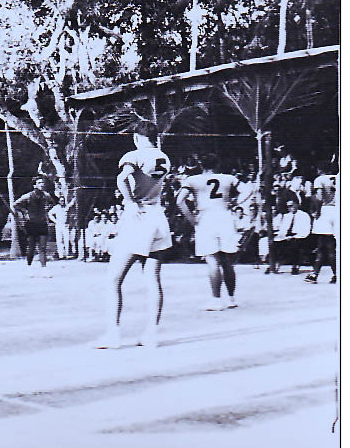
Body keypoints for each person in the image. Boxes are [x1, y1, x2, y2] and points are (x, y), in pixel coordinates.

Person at [96, 123, 172, 349]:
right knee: (153, 279)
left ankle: (113, 334)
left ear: (137, 137)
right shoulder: (164, 157)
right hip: (158, 216)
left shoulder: (134, 155)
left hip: (139, 216)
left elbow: (121, 179)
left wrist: (130, 202)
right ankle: (151, 334)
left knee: (113, 279)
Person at [175, 153, 251, 311]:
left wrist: (191, 219)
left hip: (206, 217)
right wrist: (234, 203)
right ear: (217, 165)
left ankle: (216, 300)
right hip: (224, 215)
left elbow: (179, 200)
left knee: (212, 260)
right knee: (227, 261)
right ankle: (231, 298)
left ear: (201, 165)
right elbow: (248, 190)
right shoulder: (228, 178)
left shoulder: (193, 180)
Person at [12, 176, 55, 272]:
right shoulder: (28, 196)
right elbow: (15, 205)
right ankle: (29, 267)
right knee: (31, 247)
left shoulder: (46, 195)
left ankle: (44, 269)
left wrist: (46, 210)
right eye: (39, 182)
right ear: (35, 185)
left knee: (43, 247)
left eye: (43, 182)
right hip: (31, 223)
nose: (42, 184)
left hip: (42, 222)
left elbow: (52, 203)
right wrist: (25, 212)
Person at [306, 166, 337, 284]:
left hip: (327, 210)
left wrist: (317, 211)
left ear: (320, 169)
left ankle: (315, 274)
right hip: (339, 211)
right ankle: (334, 274)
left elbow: (319, 196)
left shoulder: (320, 179)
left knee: (323, 245)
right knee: (333, 245)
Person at [271, 194, 312, 275]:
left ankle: (295, 266)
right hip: (288, 237)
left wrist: (293, 236)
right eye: (288, 206)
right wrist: (282, 236)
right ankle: (275, 265)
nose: (290, 208)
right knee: (274, 243)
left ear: (297, 205)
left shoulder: (304, 215)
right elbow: (283, 229)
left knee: (294, 245)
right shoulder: (286, 216)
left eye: (291, 205)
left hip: (300, 237)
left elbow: (306, 230)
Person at [47, 193, 72, 260]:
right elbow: (50, 213)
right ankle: (61, 255)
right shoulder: (56, 207)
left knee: (66, 240)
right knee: (59, 240)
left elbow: (71, 204)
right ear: (59, 201)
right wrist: (55, 221)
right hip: (58, 225)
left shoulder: (66, 207)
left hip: (65, 225)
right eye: (61, 201)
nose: (62, 202)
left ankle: (66, 254)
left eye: (63, 201)